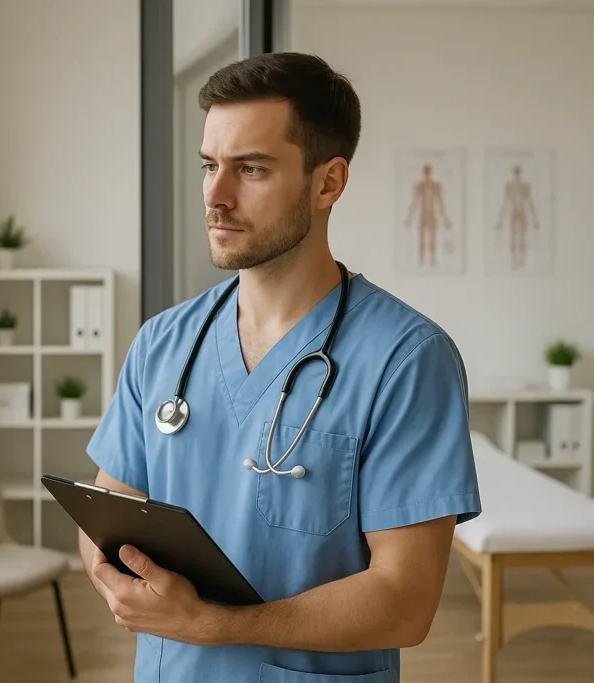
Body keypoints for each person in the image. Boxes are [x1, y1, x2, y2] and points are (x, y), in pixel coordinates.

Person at [79, 52, 482, 683]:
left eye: (252, 169)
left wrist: (216, 625)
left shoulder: (406, 359)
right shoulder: (164, 342)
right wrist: (111, 576)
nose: (215, 195)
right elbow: (107, 507)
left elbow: (406, 601)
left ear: (328, 182)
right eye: (210, 166)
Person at [403, 163, 452, 267]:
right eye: (426, 174)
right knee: (422, 238)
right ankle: (421, 260)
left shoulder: (436, 186)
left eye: (429, 174)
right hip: (423, 214)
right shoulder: (419, 186)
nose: (427, 176)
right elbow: (415, 202)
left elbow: (440, 203)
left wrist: (445, 219)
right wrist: (409, 218)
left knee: (433, 238)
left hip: (432, 214)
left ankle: (432, 260)